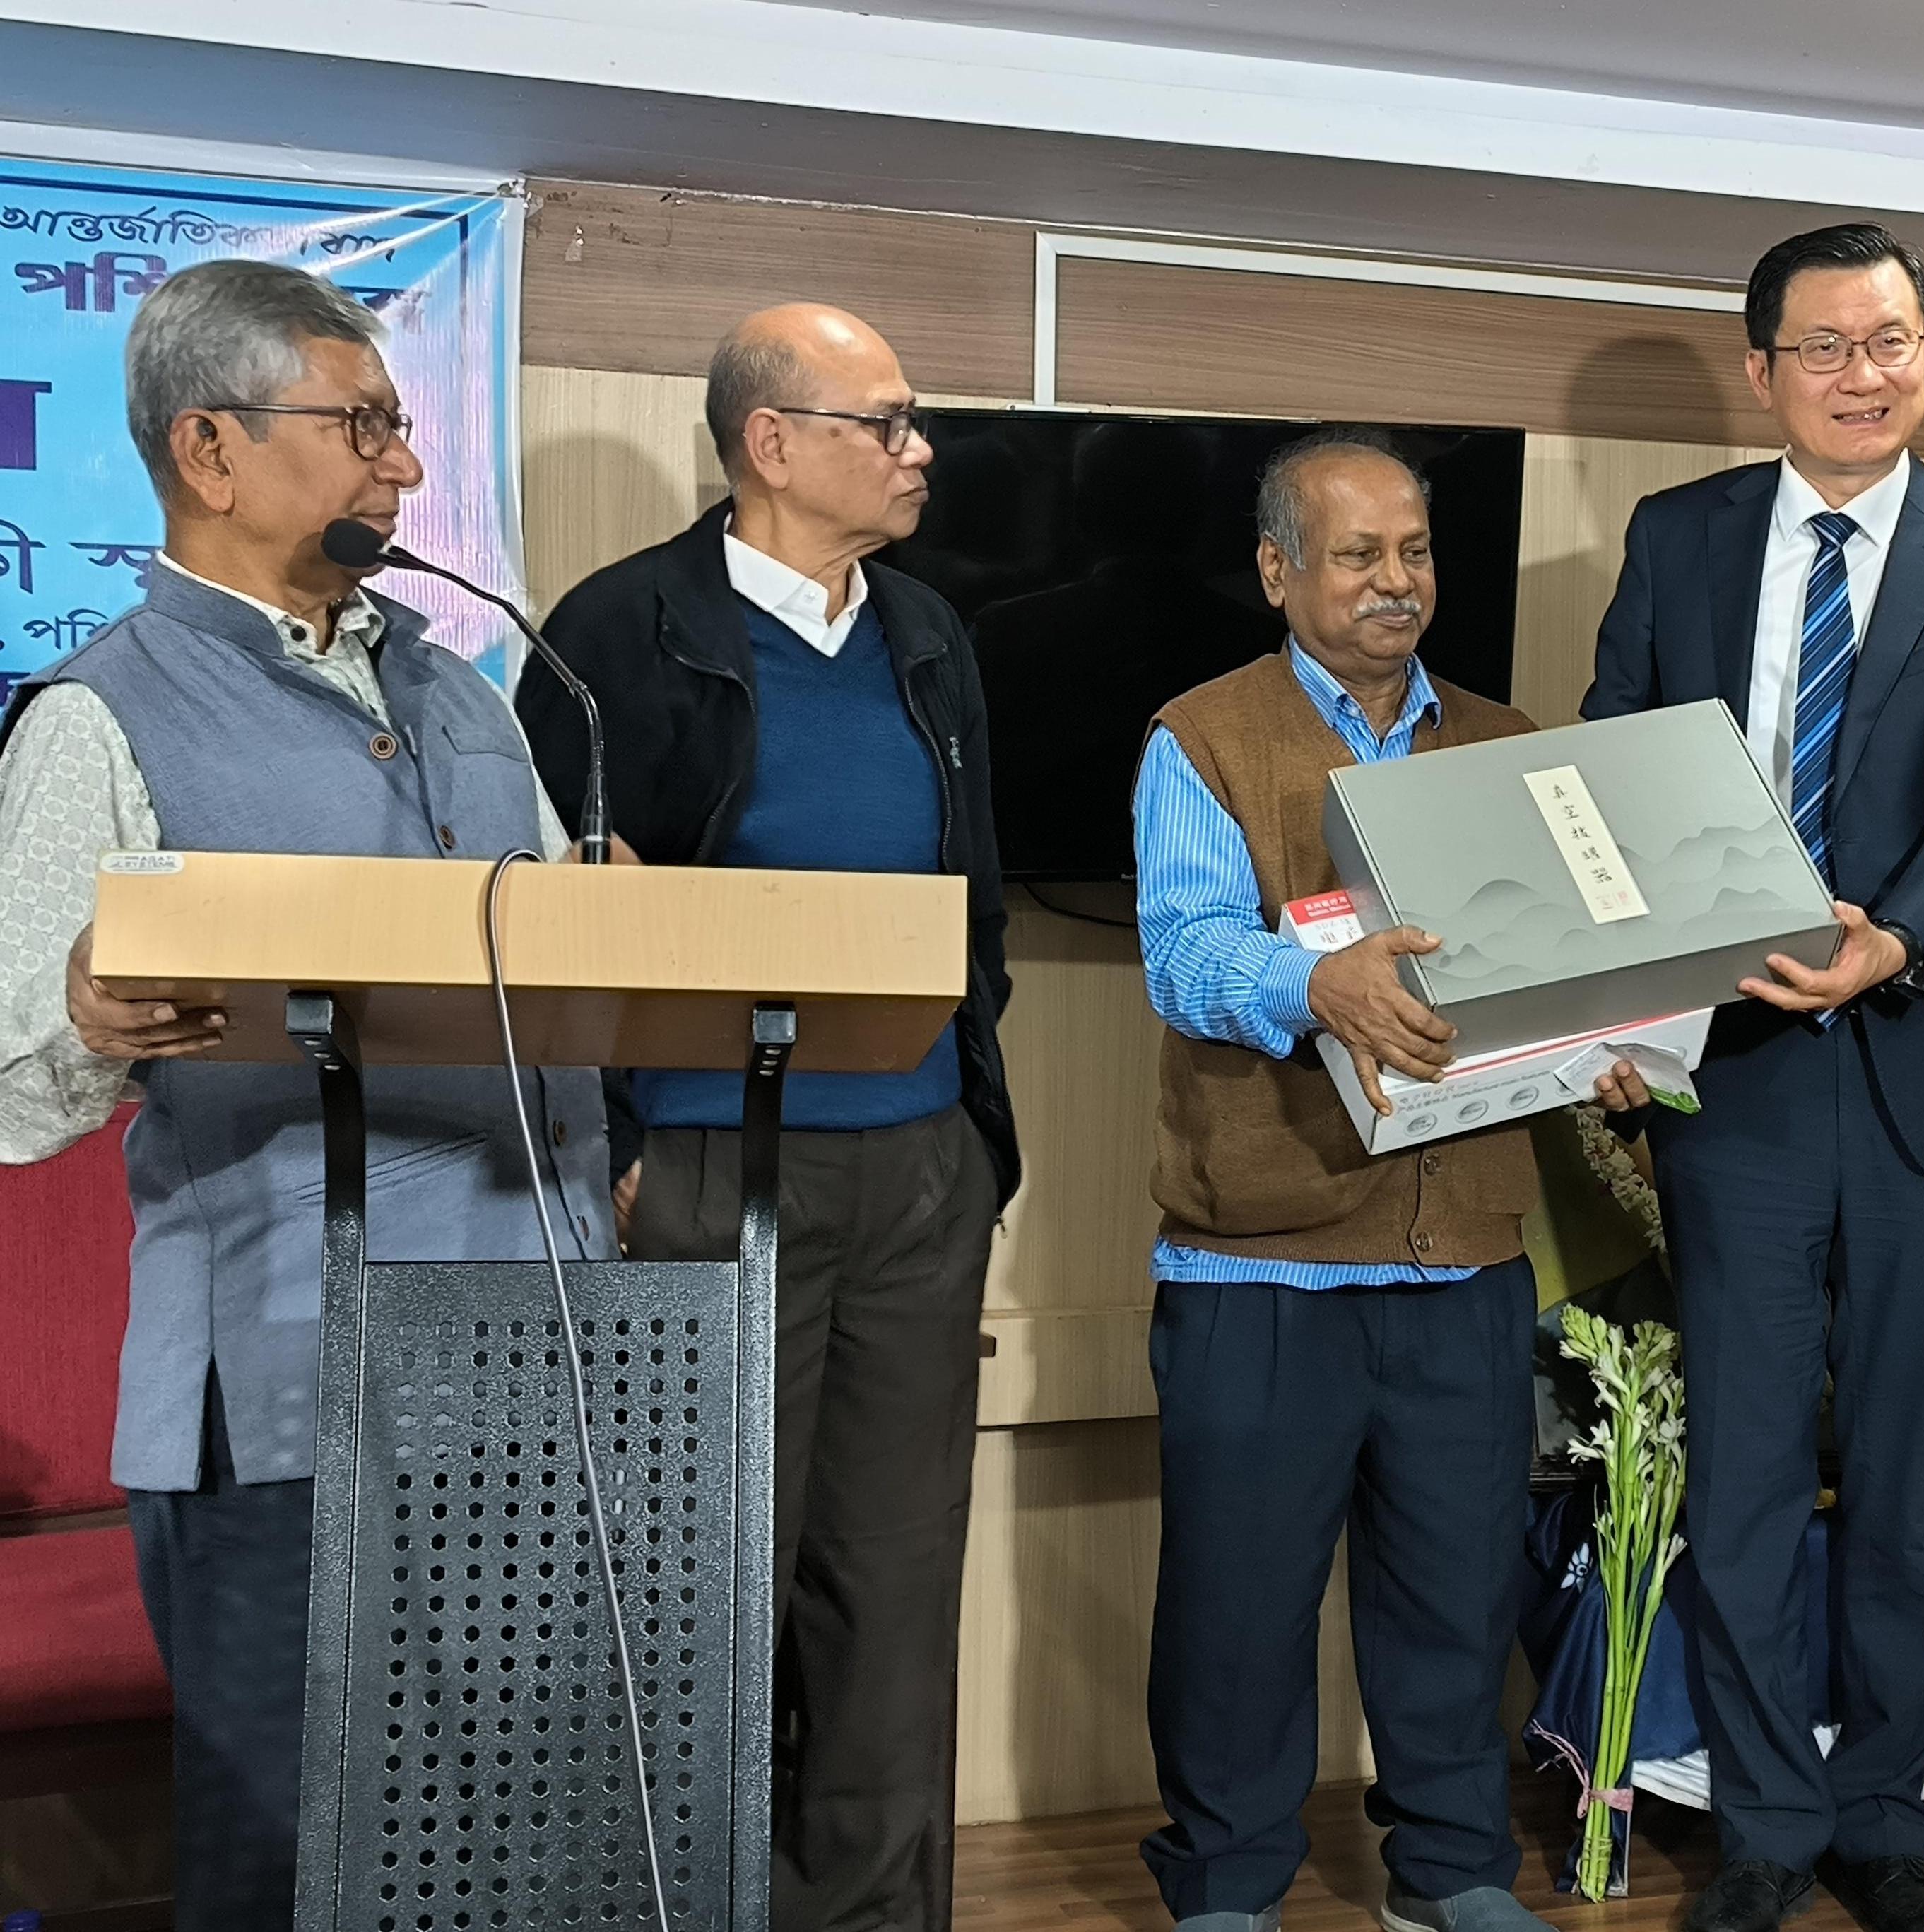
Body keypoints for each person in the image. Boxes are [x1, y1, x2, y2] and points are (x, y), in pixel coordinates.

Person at [0, 258, 610, 1932]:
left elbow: (560, 971)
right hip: (281, 1391)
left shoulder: (468, 691)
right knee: (295, 1859)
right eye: (361, 426)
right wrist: (90, 1016)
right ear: (208, 447)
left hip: (540, 1361)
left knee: (514, 1854)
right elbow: (12, 1090)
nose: (401, 466)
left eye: (401, 427)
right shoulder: (98, 716)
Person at [1583, 222, 1924, 1932]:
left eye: (1893, 342)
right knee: (1735, 1472)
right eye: (1826, 346)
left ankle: (1883, 1817)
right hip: (1734, 1066)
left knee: (1902, 1466)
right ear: (1761, 368)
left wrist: (1894, 939)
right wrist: (1624, 1011)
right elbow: (1618, 765)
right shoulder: (1679, 534)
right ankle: (1764, 1830)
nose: (1864, 375)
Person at [517, 302, 1020, 1932]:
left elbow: (976, 906)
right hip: (707, 1165)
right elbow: (543, 922)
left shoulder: (929, 630)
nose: (919, 450)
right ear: (771, 443)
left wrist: (980, 1134)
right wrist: (614, 1147)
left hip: (920, 1167)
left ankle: (872, 1911)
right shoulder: (619, 629)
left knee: (894, 1580)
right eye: (887, 421)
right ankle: (680, 1902)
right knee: (697, 1575)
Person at [1133, 428, 1645, 1932]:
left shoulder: (1507, 740)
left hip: (1461, 1252)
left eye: (1413, 551)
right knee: (1238, 1609)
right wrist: (1320, 982)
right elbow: (1183, 954)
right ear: (1276, 570)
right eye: (1356, 554)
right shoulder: (1201, 736)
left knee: (1454, 1595)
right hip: (1258, 1260)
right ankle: (1228, 1883)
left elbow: (1566, 963)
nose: (1394, 580)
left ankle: (1450, 1874)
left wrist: (1612, 1047)